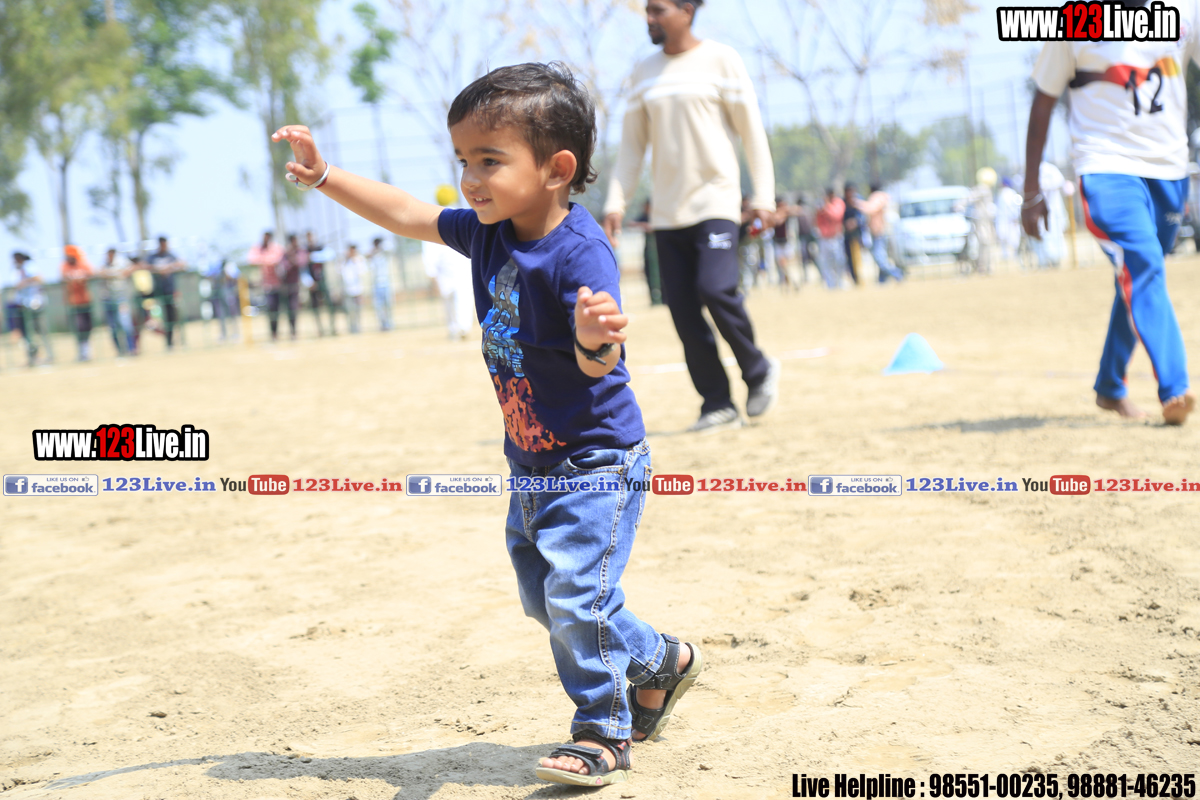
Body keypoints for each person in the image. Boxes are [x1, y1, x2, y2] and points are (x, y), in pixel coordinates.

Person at [272, 61, 702, 788]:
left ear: (557, 169)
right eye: (463, 160)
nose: (470, 179)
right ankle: (662, 660)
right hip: (529, 460)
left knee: (575, 599)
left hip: (595, 461)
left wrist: (594, 339)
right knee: (547, 601)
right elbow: (407, 214)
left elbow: (602, 363)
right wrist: (325, 177)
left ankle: (602, 732)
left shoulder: (580, 252)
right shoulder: (487, 233)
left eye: (489, 161)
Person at [602, 0, 779, 432]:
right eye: (647, 11)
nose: (649, 19)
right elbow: (631, 149)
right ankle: (717, 403)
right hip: (667, 214)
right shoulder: (643, 74)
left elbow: (752, 133)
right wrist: (615, 203)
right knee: (682, 309)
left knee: (716, 290)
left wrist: (764, 196)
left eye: (658, 10)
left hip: (716, 203)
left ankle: (758, 371)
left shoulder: (721, 60)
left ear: (686, 11)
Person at [1025, 0, 1196, 424]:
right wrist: (1030, 191)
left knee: (1138, 276)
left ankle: (1109, 385)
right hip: (1105, 167)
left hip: (1170, 171)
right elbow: (1043, 101)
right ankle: (1175, 388)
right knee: (1143, 264)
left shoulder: (1186, 9)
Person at [422, 187, 477, 340]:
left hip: (444, 271)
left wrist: (431, 273)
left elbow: (429, 251)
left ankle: (454, 329)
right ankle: (463, 327)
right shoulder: (463, 216)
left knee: (448, 302)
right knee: (463, 299)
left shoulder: (434, 218)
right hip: (463, 267)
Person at [8, 252, 53, 366]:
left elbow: (38, 278)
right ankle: (33, 357)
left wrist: (24, 282)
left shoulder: (30, 266)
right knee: (28, 334)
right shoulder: (16, 271)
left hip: (36, 304)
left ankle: (50, 355)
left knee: (42, 331)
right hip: (23, 306)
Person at [856, 184, 904, 283]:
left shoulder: (878, 197)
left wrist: (857, 202)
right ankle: (882, 280)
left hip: (880, 233)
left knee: (879, 257)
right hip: (881, 233)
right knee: (881, 257)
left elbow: (870, 208)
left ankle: (897, 273)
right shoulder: (885, 197)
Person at [145, 236, 186, 349]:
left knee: (171, 317)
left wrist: (170, 267)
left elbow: (182, 264)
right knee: (154, 316)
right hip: (156, 291)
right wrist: (158, 269)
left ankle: (170, 341)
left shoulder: (171, 256)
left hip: (170, 291)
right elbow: (144, 266)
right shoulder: (153, 257)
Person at [248, 232, 286, 341]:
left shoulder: (276, 247)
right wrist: (267, 260)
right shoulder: (257, 248)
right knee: (271, 310)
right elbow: (251, 259)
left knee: (283, 310)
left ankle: (289, 333)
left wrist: (263, 260)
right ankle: (274, 333)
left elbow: (278, 259)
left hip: (280, 285)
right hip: (267, 286)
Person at [98, 248, 136, 355]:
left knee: (125, 324)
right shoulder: (104, 263)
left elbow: (132, 268)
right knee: (113, 327)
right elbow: (99, 272)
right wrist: (110, 274)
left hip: (121, 298)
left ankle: (131, 348)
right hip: (108, 299)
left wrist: (121, 273)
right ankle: (120, 351)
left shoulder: (122, 262)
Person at [61, 246, 95, 361]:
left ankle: (87, 349)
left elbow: (91, 273)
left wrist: (82, 277)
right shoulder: (65, 266)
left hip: (85, 301)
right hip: (73, 302)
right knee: (79, 327)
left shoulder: (82, 264)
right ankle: (82, 351)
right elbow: (64, 277)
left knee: (88, 326)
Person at [628, 199, 664, 305]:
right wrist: (644, 225)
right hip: (649, 250)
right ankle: (654, 299)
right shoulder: (644, 216)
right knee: (649, 273)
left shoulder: (658, 215)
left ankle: (663, 298)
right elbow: (631, 223)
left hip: (660, 250)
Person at [305, 230, 337, 335]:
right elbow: (303, 269)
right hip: (312, 284)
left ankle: (332, 328)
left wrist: (313, 256)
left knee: (330, 305)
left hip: (323, 281)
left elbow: (331, 254)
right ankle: (320, 330)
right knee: (315, 307)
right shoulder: (305, 250)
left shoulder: (320, 248)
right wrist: (309, 282)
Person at [814, 187, 845, 288]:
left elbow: (836, 216)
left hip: (836, 237)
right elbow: (816, 219)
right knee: (826, 263)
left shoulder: (838, 203)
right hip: (824, 238)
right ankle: (830, 284)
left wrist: (826, 206)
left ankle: (840, 282)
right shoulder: (821, 204)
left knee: (839, 261)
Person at [366, 237, 394, 332]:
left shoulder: (384, 253)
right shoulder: (373, 255)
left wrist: (380, 247)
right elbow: (367, 257)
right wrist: (374, 251)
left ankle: (389, 324)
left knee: (388, 305)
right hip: (376, 284)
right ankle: (383, 325)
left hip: (386, 282)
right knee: (378, 306)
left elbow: (390, 247)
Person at [995, 177, 1023, 262]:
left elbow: (1013, 206)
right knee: (1006, 237)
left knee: (1010, 237)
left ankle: (1011, 255)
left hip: (1008, 219)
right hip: (1006, 219)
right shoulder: (1007, 193)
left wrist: (1015, 217)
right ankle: (1009, 255)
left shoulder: (1006, 193)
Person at [340, 244, 366, 334]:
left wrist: (355, 261)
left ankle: (358, 328)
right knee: (349, 311)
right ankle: (351, 328)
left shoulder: (359, 260)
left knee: (358, 311)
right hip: (347, 290)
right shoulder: (344, 261)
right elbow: (340, 272)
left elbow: (362, 272)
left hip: (358, 290)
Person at [842, 183, 864, 286]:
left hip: (857, 235)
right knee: (849, 258)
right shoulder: (842, 203)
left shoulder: (858, 202)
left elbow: (863, 217)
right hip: (847, 236)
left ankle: (861, 277)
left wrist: (855, 222)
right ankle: (855, 279)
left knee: (859, 256)